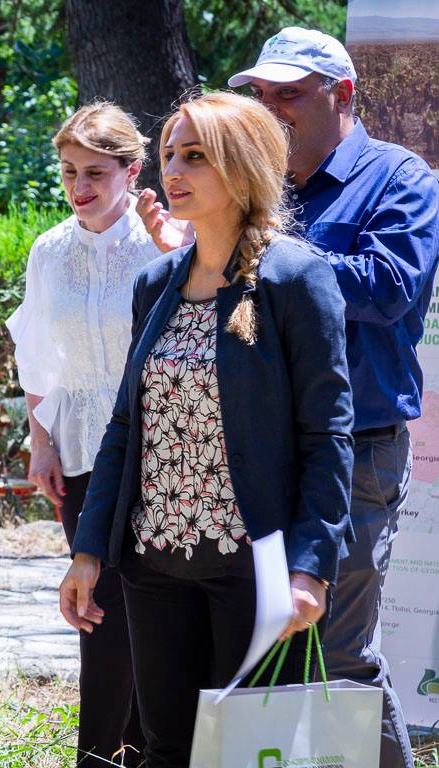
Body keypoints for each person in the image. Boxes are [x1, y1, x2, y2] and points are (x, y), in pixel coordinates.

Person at [139, 29, 439, 767]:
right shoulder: (251, 188)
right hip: (255, 459)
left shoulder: (398, 176)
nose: (271, 109)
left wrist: (252, 251)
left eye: (290, 95)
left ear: (342, 95)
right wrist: (203, 254)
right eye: (261, 95)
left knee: (335, 651)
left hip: (356, 451)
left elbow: (388, 287)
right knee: (265, 657)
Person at [59, 92, 355, 767]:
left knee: (247, 752)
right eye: (169, 155)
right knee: (168, 749)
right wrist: (89, 550)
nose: (172, 170)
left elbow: (327, 436)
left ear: (242, 165)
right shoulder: (156, 281)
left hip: (254, 567)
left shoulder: (295, 277)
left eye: (194, 156)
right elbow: (125, 425)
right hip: (153, 561)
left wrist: (311, 567)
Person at [6, 102, 154, 764]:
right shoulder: (49, 249)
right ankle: (98, 755)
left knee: (151, 611)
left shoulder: (164, 243)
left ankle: (148, 752)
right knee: (96, 609)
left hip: (156, 455)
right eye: (68, 171)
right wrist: (40, 441)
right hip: (78, 450)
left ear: (132, 170)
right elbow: (37, 354)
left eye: (95, 172)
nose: (79, 187)